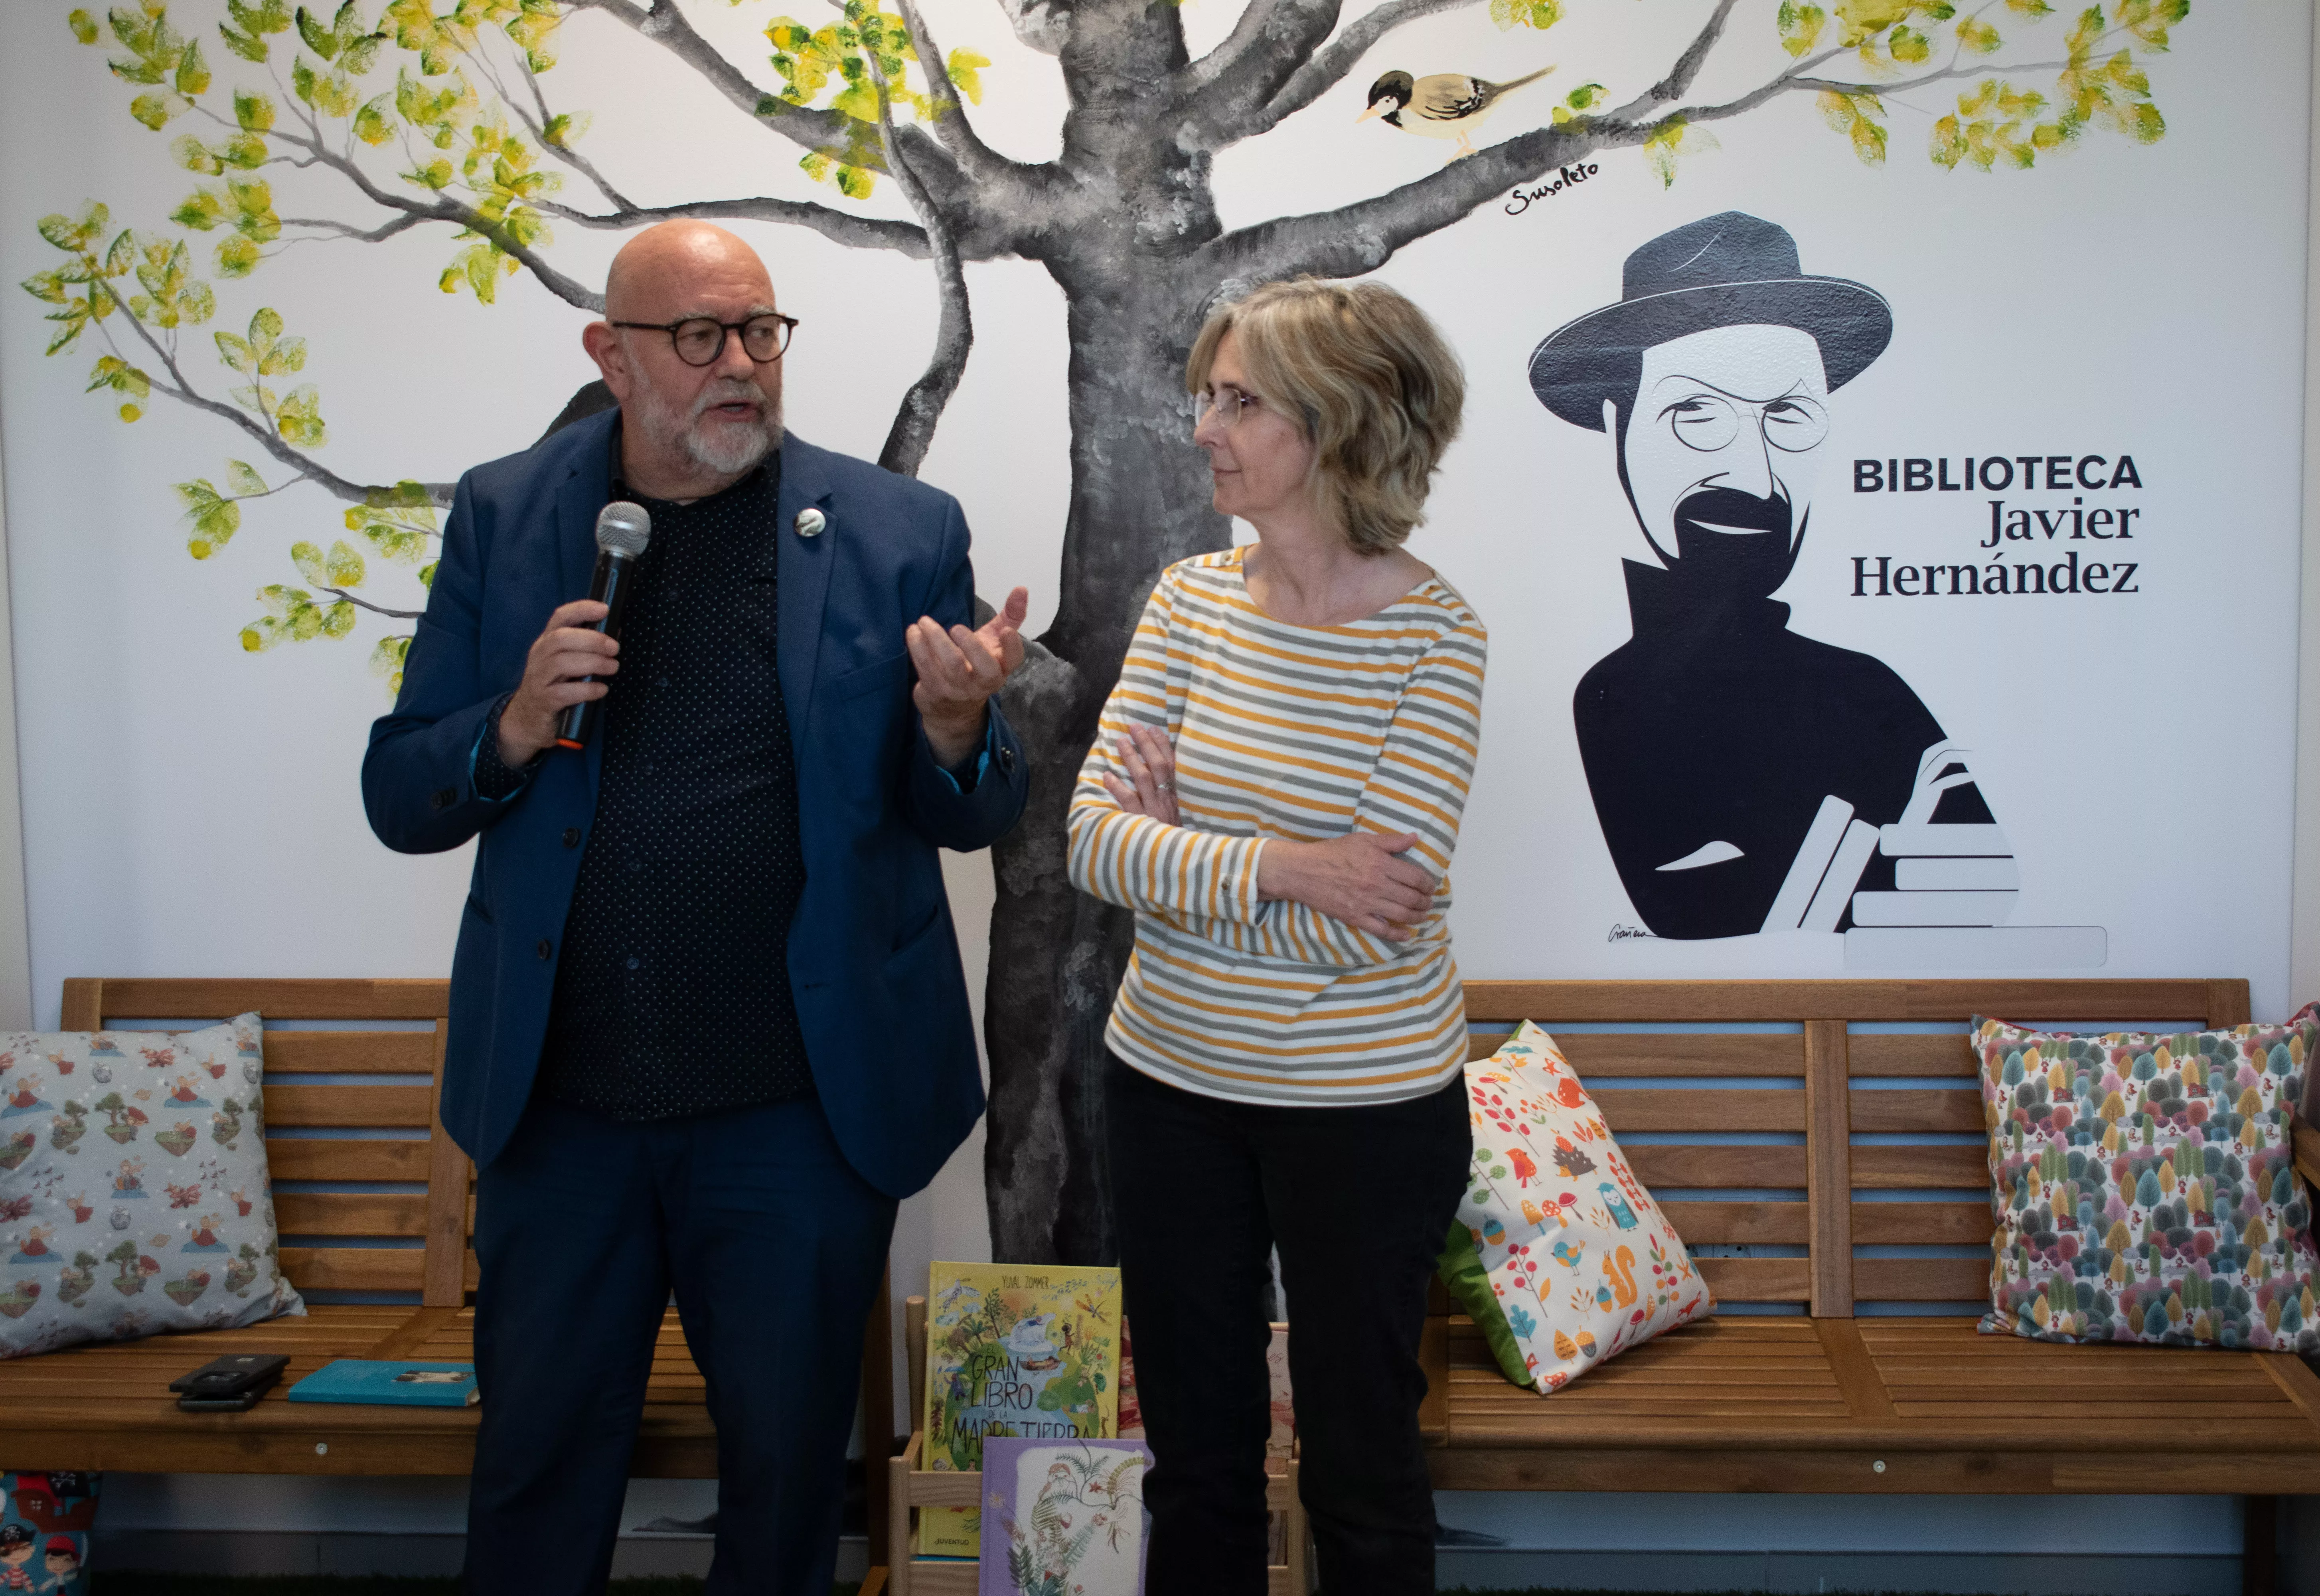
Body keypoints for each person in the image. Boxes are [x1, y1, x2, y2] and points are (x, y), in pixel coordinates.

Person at [361, 220, 1030, 1594]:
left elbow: (967, 812)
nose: (740, 364)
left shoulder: (900, 529)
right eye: (699, 337)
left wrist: (959, 728)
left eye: (760, 332)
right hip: (563, 1105)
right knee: (540, 1463)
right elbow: (399, 791)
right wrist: (511, 722)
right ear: (611, 356)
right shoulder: (505, 515)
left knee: (787, 1479)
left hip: (797, 1107)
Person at [1066, 277, 1485, 1596]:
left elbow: (1375, 928)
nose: (1204, 428)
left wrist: (1184, 862)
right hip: (1169, 1092)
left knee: (1363, 1470)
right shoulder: (1188, 603)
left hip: (1368, 1114)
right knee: (1196, 1465)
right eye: (1209, 396)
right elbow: (1093, 845)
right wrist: (1295, 867)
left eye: (1240, 401)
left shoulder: (1437, 641)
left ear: (1338, 417)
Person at [1527, 211, 2010, 941]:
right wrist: (1887, 845)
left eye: (1787, 414)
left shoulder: (1866, 686)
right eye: (1695, 414)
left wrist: (1797, 856)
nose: (1755, 477)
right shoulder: (1614, 695)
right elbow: (1683, 914)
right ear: (1619, 432)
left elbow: (1984, 884)